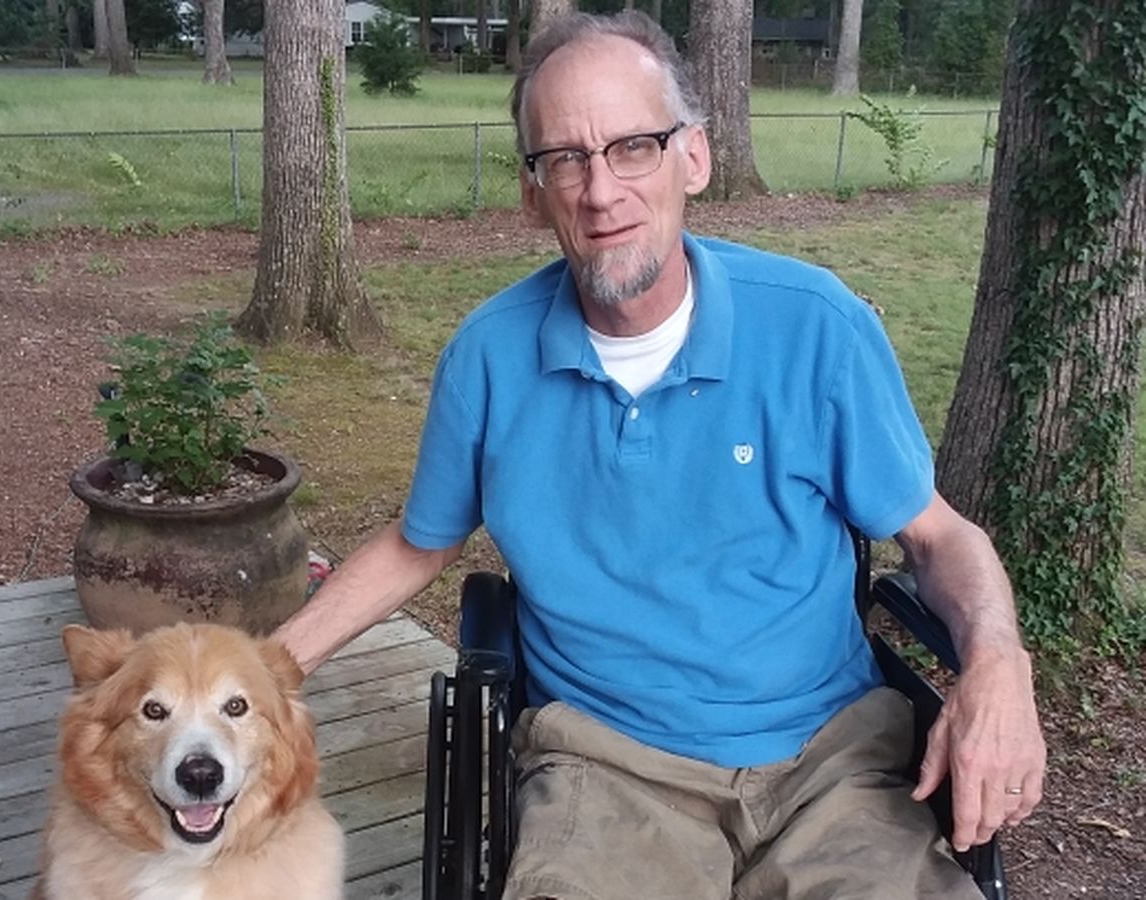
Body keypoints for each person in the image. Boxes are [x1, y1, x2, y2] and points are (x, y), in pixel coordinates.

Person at [276, 11, 1046, 899]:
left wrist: (998, 664)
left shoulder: (816, 329)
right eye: (565, 158)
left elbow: (939, 537)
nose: (601, 191)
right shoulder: (488, 359)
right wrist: (262, 674)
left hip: (832, 765)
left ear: (695, 158)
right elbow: (421, 544)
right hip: (609, 770)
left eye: (633, 147)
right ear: (532, 192)